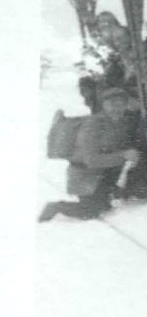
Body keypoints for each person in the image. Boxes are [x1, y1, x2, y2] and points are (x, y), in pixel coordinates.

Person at [39, 87, 139, 222]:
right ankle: (55, 207)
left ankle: (106, 194)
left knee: (104, 207)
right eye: (112, 104)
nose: (117, 108)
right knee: (91, 212)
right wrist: (123, 155)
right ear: (103, 105)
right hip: (85, 176)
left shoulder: (119, 122)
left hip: (102, 174)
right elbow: (91, 160)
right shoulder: (92, 125)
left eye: (121, 104)